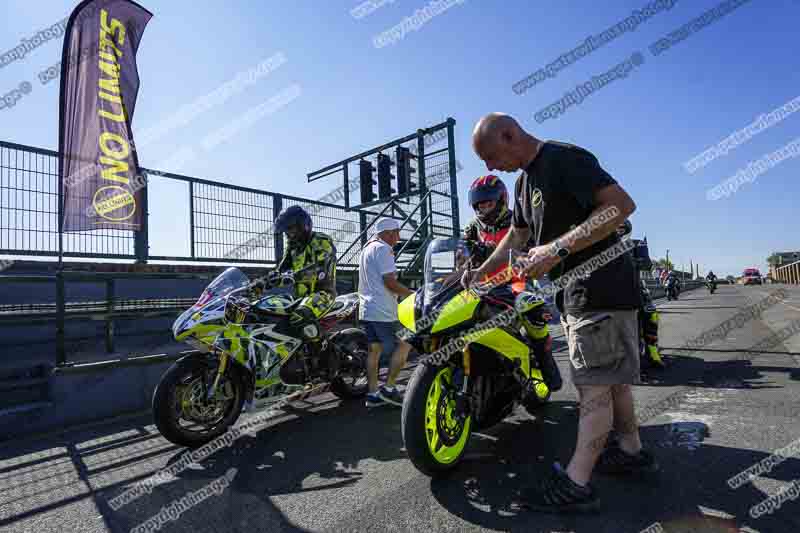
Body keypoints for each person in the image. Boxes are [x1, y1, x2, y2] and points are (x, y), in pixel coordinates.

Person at [461, 113, 658, 514]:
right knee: (612, 381)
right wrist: (483, 271)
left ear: (510, 134)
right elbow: (517, 236)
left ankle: (576, 482)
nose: (489, 168)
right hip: (574, 292)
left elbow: (620, 207)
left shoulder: (563, 159)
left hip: (600, 289)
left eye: (491, 155)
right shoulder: (521, 183)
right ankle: (631, 449)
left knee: (593, 388)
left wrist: (556, 249)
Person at [463, 174, 562, 391]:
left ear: (501, 200)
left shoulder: (517, 221)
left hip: (516, 281)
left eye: (488, 202)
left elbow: (533, 251)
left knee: (531, 309)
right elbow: (461, 257)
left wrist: (496, 252)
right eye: (479, 204)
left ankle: (546, 360)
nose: (483, 208)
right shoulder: (471, 229)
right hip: (485, 285)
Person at [358, 217, 415, 408]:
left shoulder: (366, 249)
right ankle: (390, 389)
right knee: (406, 342)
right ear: (388, 233)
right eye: (397, 234)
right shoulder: (383, 249)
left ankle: (373, 394)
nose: (398, 238)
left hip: (367, 309)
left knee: (374, 351)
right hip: (384, 310)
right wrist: (413, 294)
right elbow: (389, 282)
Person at [274, 206, 337, 372]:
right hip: (300, 297)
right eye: (285, 231)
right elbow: (280, 271)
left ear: (303, 225)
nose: (288, 234)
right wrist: (259, 284)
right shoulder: (293, 247)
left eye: (290, 229)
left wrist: (293, 276)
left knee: (300, 316)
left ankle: (326, 358)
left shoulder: (321, 241)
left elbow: (321, 268)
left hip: (323, 293)